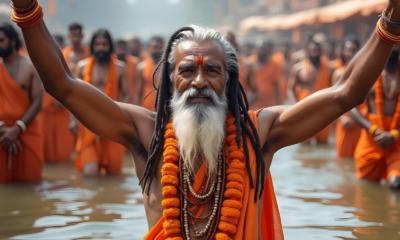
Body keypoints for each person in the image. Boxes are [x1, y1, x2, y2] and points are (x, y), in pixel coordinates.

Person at [12, 0, 400, 238]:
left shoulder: (258, 132)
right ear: (170, 79)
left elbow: (346, 93)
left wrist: (392, 18)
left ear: (229, 79)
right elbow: (62, 85)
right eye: (187, 70)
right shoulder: (145, 133)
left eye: (211, 70)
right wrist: (26, 7)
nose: (199, 81)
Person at [72, 29, 130, 176]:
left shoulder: (120, 68)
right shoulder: (82, 66)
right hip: (87, 122)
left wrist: (122, 115)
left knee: (113, 173)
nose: (100, 48)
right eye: (97, 44)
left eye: (104, 44)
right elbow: (73, 95)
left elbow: (127, 93)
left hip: (113, 123)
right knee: (89, 173)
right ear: (92, 46)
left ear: (110, 46)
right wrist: (72, 120)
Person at [349, 45, 400, 189]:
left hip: (397, 141)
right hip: (372, 138)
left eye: (396, 45)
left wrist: (395, 135)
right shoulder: (368, 71)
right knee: (367, 188)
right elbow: (351, 108)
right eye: (389, 44)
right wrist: (375, 130)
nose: (392, 49)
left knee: (396, 185)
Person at [0, 23, 43, 182]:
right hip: (1, 133)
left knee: (30, 183)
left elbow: (38, 102)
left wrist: (17, 129)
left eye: (1, 40)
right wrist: (4, 130)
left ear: (12, 41)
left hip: (27, 131)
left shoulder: (31, 66)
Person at [287, 40, 332, 144]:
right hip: (304, 109)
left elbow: (334, 88)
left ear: (321, 52)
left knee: (323, 144)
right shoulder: (298, 68)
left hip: (323, 111)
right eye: (312, 50)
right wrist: (295, 107)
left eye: (317, 50)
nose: (314, 53)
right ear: (307, 52)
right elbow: (290, 89)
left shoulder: (329, 68)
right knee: (304, 142)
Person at [332, 37, 364, 157]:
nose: (350, 53)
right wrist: (342, 119)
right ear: (343, 51)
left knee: (360, 157)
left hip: (361, 121)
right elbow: (333, 101)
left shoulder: (366, 72)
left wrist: (360, 118)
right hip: (344, 121)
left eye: (354, 50)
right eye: (347, 50)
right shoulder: (338, 74)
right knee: (343, 159)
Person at [223, 31, 258, 105]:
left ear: (236, 44)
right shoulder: (212, 64)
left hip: (239, 113)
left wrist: (243, 105)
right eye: (224, 42)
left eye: (230, 42)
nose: (227, 46)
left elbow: (256, 93)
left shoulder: (246, 64)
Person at [250, 41, 282, 109]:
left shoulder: (275, 65)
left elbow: (276, 84)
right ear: (255, 50)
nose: (261, 51)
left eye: (264, 49)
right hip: (252, 102)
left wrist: (278, 102)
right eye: (260, 48)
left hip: (269, 104)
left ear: (268, 51)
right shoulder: (249, 63)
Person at [137, 36, 163, 110]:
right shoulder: (141, 67)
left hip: (163, 110)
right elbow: (138, 93)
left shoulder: (168, 67)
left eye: (159, 47)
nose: (156, 50)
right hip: (146, 110)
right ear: (149, 49)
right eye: (153, 47)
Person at [116, 39, 140, 104]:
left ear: (128, 49)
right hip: (114, 103)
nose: (121, 51)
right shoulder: (111, 64)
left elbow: (138, 86)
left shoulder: (135, 63)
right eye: (118, 48)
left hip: (132, 102)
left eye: (124, 49)